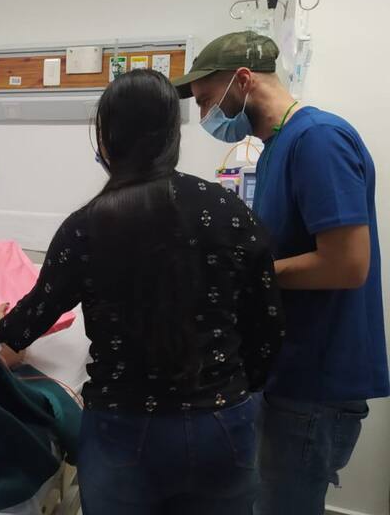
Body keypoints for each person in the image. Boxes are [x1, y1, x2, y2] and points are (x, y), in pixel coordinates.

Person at [0, 69, 285, 514]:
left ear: (107, 140)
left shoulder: (86, 227)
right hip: (221, 423)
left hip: (124, 430)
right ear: (172, 136)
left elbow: (31, 320)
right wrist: (235, 389)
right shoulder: (228, 210)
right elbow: (268, 324)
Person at [172, 30, 389, 515]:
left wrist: (246, 275)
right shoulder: (276, 147)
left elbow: (348, 264)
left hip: (315, 381)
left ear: (243, 80)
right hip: (288, 373)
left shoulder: (318, 140)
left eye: (206, 101)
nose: (205, 116)